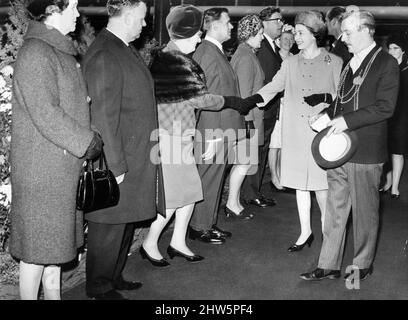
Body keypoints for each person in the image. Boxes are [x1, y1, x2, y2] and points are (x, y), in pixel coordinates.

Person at [143, 5, 253, 265]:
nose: (199, 37)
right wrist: (231, 101)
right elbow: (200, 99)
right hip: (170, 137)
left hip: (181, 136)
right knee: (173, 198)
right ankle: (150, 243)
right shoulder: (175, 61)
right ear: (184, 33)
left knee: (191, 192)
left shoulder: (171, 57)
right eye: (195, 33)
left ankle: (178, 241)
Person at [9, 0, 102, 300]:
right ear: (52, 9)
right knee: (36, 253)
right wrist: (86, 142)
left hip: (59, 166)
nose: (78, 13)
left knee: (52, 255)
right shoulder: (36, 52)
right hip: (43, 171)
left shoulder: (57, 50)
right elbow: (46, 113)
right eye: (71, 7)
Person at [300, 10, 399, 282]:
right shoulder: (349, 63)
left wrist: (344, 122)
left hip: (366, 152)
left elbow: (385, 108)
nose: (342, 38)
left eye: (348, 32)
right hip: (339, 151)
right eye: (342, 32)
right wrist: (325, 116)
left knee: (365, 214)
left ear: (366, 30)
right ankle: (328, 264)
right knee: (334, 210)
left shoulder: (386, 63)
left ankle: (362, 264)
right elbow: (341, 100)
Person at [82, 0, 164, 300]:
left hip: (135, 155)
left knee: (124, 221)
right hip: (118, 160)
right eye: (141, 19)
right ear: (127, 17)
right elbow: (102, 117)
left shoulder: (121, 48)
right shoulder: (105, 53)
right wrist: (114, 167)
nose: (144, 25)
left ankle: (114, 276)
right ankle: (99, 286)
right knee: (109, 225)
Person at [257, 11, 342, 252]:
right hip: (295, 133)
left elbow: (342, 98)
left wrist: (327, 102)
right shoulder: (290, 61)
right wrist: (252, 100)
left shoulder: (334, 62)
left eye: (300, 33)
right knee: (301, 188)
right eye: (295, 32)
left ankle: (329, 238)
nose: (296, 37)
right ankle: (305, 232)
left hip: (321, 136)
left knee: (322, 189)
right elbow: (275, 85)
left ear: (315, 34)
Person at [189, 7, 262, 244]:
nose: (232, 26)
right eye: (228, 22)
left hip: (221, 127)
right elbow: (202, 96)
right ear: (215, 26)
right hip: (213, 128)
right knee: (209, 177)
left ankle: (207, 223)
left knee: (215, 177)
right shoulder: (207, 53)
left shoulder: (214, 51)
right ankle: (200, 226)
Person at [241, 6, 283, 207]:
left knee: (261, 152)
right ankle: (250, 193)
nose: (281, 23)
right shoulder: (262, 49)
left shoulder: (270, 46)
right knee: (255, 153)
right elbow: (264, 82)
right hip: (262, 110)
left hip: (267, 110)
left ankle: (254, 191)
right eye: (277, 20)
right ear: (264, 24)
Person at [227, 14, 265, 219]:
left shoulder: (246, 53)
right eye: (259, 33)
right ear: (249, 34)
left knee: (243, 163)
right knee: (243, 163)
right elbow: (243, 94)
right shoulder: (245, 57)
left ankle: (234, 201)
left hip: (247, 119)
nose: (261, 36)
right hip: (247, 120)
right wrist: (247, 121)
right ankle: (232, 203)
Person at [380, 34, 408, 199]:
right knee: (385, 151)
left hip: (402, 116)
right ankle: (388, 182)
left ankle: (395, 187)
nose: (392, 51)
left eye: (395, 48)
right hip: (386, 115)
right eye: (390, 48)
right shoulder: (386, 67)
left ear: (403, 50)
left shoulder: (405, 69)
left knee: (397, 152)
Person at [268, 26, 295, 191]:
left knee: (284, 143)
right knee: (275, 143)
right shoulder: (274, 57)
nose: (288, 42)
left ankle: (281, 174)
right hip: (278, 104)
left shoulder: (294, 57)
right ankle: (274, 177)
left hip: (291, 105)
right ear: (278, 41)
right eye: (285, 39)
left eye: (291, 39)